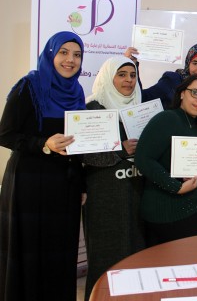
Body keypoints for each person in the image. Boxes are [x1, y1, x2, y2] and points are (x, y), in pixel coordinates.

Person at [0, 31, 85, 300]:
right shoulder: (29, 86)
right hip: (29, 182)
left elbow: (79, 143)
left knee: (60, 250)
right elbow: (6, 134)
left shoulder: (77, 91)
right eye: (63, 52)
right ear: (50, 54)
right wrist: (44, 144)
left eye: (77, 55)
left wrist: (82, 184)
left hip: (65, 183)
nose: (70, 60)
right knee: (30, 250)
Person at [135, 74, 197, 247]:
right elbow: (143, 159)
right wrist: (176, 187)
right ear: (182, 93)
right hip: (167, 212)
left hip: (193, 207)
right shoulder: (167, 118)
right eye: (195, 93)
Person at [81, 56, 145, 299]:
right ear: (108, 77)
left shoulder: (141, 109)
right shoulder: (93, 109)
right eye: (122, 74)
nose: (129, 80)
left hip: (136, 192)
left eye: (132, 75)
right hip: (104, 197)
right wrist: (120, 151)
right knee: (105, 259)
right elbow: (83, 153)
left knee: (137, 256)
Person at [125, 43, 197, 109]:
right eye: (195, 63)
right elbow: (142, 98)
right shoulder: (172, 81)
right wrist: (131, 65)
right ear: (188, 64)